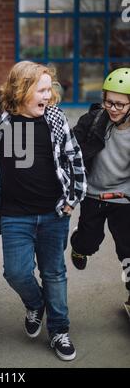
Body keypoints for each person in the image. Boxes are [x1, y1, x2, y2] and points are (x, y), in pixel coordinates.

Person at [0, 61, 86, 361]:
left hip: (53, 214)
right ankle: (35, 304)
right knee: (16, 272)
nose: (48, 96)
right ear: (21, 91)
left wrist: (72, 199)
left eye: (50, 89)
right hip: (14, 216)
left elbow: (75, 161)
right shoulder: (3, 125)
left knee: (54, 273)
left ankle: (60, 330)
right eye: (42, 90)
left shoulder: (56, 120)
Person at [71, 67, 130, 311]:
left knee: (128, 252)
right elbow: (70, 148)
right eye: (109, 102)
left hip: (124, 199)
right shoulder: (93, 121)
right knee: (89, 243)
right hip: (93, 195)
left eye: (120, 104)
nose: (113, 109)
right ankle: (79, 245)